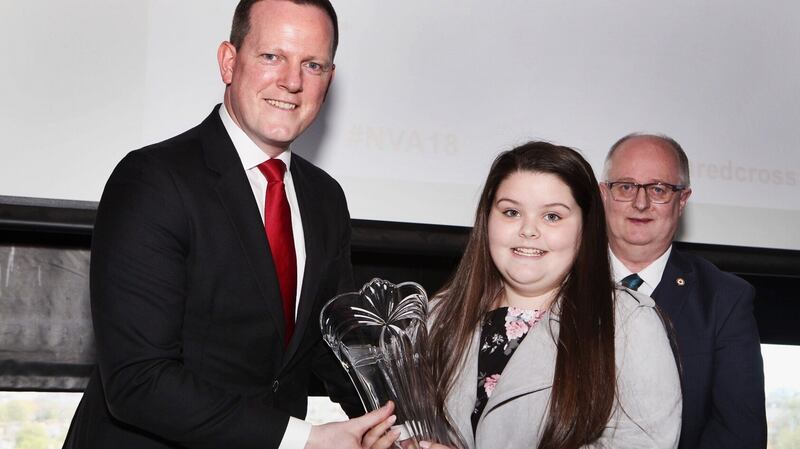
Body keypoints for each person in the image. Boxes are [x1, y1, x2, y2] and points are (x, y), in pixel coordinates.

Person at [62, 1, 394, 448]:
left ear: (328, 80)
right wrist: (302, 440)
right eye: (271, 56)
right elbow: (138, 380)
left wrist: (403, 429)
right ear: (229, 62)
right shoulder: (153, 180)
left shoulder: (325, 198)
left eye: (312, 65)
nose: (292, 81)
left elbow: (331, 344)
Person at [365, 142, 682, 449]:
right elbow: (408, 423)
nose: (528, 230)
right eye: (511, 212)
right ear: (487, 219)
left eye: (552, 216)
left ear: (586, 228)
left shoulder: (628, 323)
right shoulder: (439, 315)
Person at [600, 133, 767, 449]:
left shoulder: (724, 300)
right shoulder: (558, 282)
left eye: (659, 189)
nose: (640, 202)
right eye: (625, 186)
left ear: (682, 201)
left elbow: (738, 435)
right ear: (603, 194)